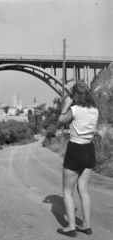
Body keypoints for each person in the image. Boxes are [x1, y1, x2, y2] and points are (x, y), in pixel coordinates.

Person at [57, 81, 99, 238]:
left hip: (75, 149)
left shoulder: (74, 109)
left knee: (67, 192)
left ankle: (71, 227)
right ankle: (86, 225)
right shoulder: (94, 110)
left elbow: (61, 121)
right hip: (89, 149)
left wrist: (66, 105)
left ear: (75, 96)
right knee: (84, 190)